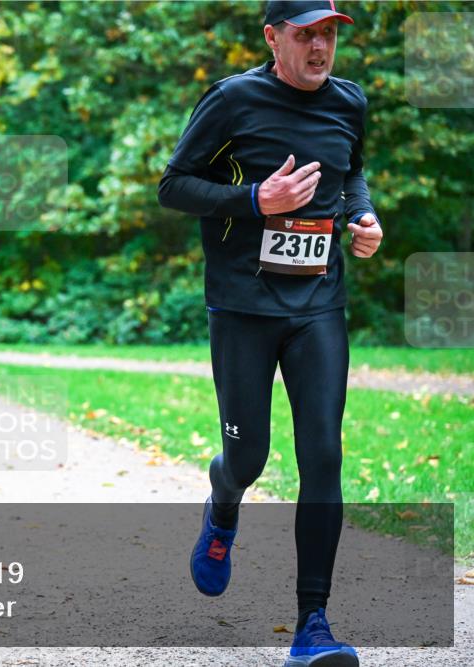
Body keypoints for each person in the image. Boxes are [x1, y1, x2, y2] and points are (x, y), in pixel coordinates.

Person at [158, 2, 383, 666]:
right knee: (248, 457)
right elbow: (174, 186)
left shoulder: (350, 102)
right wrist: (256, 200)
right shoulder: (232, 100)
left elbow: (353, 174)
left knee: (323, 454)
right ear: (272, 37)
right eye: (305, 34)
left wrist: (363, 219)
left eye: (329, 35)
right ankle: (223, 499)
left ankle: (313, 623)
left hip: (318, 303)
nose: (320, 48)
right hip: (243, 306)